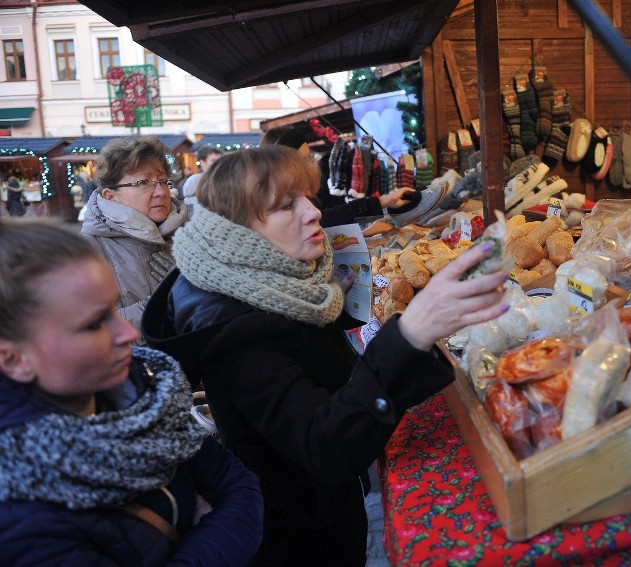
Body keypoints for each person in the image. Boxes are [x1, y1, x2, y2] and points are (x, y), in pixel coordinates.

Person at [141, 145, 508, 565]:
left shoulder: (277, 284)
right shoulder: (239, 334)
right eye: (285, 206)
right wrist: (409, 332)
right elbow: (324, 446)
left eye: (307, 198)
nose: (313, 212)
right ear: (238, 233)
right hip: (298, 537)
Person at [0, 219, 263, 566]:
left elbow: (239, 486)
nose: (126, 331)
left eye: (113, 309)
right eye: (94, 323)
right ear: (14, 358)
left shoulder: (144, 392)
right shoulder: (18, 513)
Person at [81, 136, 187, 336]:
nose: (161, 192)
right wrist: (163, 304)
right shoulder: (86, 250)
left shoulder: (189, 232)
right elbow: (89, 331)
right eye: (144, 182)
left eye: (163, 181)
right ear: (110, 196)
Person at [261, 126, 415, 227]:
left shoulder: (302, 192)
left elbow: (328, 216)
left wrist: (382, 202)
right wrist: (380, 203)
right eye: (305, 158)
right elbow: (324, 219)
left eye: (310, 156)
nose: (311, 163)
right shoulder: (274, 204)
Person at [181, 146, 224, 218]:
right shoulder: (195, 180)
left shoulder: (227, 180)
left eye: (220, 160)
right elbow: (190, 205)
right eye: (213, 160)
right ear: (203, 162)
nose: (218, 163)